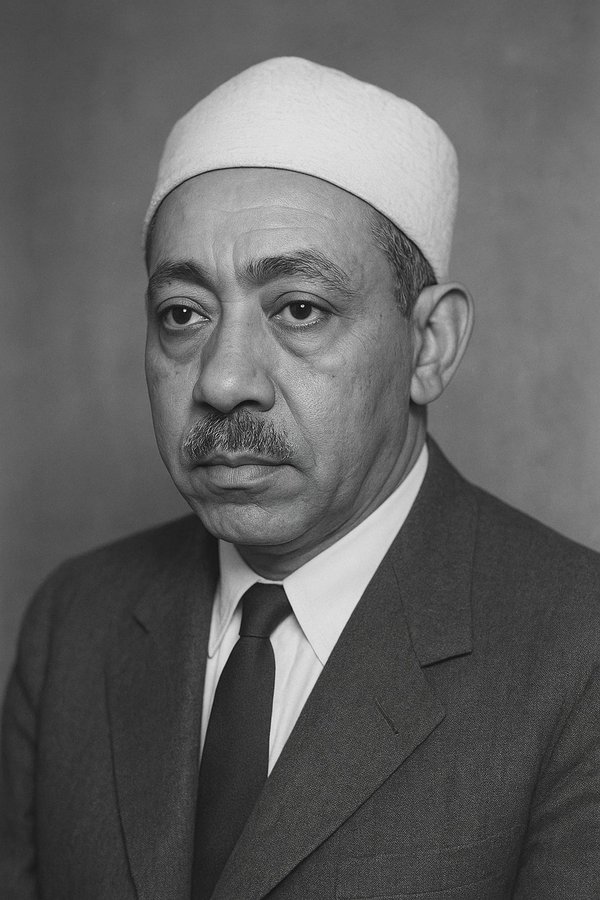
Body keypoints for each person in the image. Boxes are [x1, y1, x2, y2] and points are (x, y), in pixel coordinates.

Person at [2, 57, 600, 900]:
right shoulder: (76, 621)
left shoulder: (579, 651)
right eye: (183, 315)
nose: (221, 380)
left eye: (299, 309)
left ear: (429, 346)